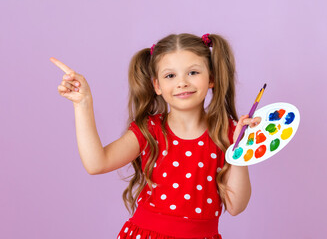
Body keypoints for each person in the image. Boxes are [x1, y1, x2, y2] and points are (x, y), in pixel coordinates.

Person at [50, 33, 261, 239]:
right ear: (157, 86)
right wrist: (83, 103)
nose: (182, 83)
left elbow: (236, 207)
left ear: (211, 78)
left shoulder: (229, 133)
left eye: (193, 72)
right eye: (170, 75)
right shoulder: (150, 129)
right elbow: (96, 163)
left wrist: (239, 151)